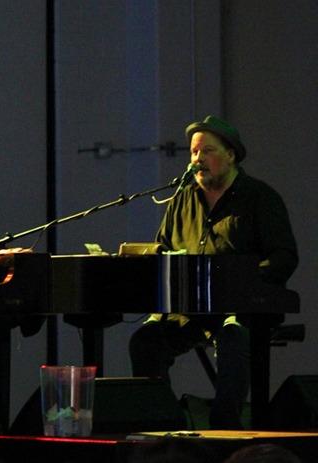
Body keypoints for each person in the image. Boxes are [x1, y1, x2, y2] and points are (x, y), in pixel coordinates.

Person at [129, 115, 298, 429]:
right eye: (193, 152)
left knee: (234, 336)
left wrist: (245, 280)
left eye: (207, 151)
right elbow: (162, 248)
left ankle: (225, 426)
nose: (197, 159)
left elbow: (285, 256)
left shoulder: (259, 197)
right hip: (191, 306)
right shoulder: (181, 199)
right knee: (144, 340)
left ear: (230, 154)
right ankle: (167, 423)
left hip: (242, 307)